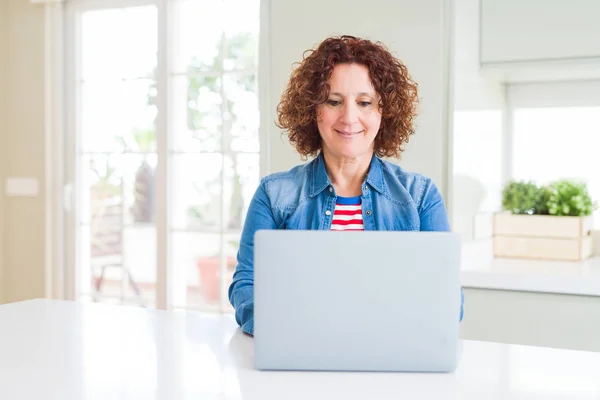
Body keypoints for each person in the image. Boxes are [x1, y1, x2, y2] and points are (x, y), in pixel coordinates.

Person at [228, 35, 464, 336]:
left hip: (390, 361)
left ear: (384, 111)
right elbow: (247, 285)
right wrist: (291, 330)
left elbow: (448, 300)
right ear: (314, 109)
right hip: (300, 361)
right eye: (334, 101)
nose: (349, 117)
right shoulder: (274, 195)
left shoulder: (421, 197)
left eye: (364, 102)